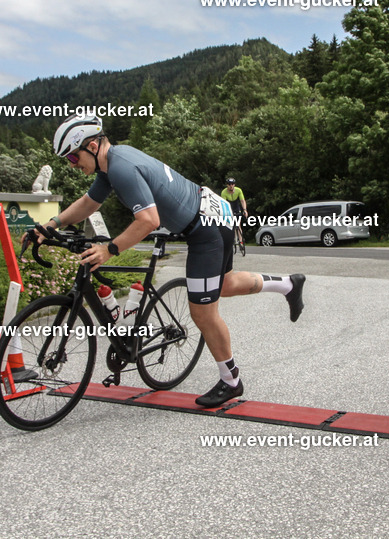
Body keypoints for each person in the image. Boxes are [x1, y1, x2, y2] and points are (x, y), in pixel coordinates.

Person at [33, 115, 306, 407]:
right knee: (224, 285)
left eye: (73, 157)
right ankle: (288, 284)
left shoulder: (121, 168)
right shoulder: (111, 164)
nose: (72, 165)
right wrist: (51, 224)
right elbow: (89, 203)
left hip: (206, 230)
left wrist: (109, 249)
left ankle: (231, 381)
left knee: (203, 313)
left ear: (92, 146)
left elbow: (148, 220)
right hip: (213, 213)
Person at [221, 178, 247, 251]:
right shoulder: (224, 192)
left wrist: (245, 210)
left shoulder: (238, 190)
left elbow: (242, 201)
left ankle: (241, 241)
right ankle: (234, 239)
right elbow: (224, 205)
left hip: (236, 207)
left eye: (232, 184)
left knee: (238, 224)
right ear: (227, 185)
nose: (231, 186)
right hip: (229, 207)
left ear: (234, 185)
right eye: (229, 184)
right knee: (232, 225)